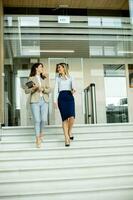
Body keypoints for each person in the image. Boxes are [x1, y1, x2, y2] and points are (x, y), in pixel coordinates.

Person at [25, 63, 51, 148]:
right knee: (37, 120)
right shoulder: (31, 78)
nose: (42, 68)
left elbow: (49, 89)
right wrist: (34, 88)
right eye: (40, 67)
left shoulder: (45, 78)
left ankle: (40, 134)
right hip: (35, 101)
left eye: (42, 67)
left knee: (43, 120)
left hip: (44, 100)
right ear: (36, 68)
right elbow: (26, 91)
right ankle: (37, 139)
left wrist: (42, 89)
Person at [54, 63, 76, 146]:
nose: (58, 69)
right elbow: (56, 90)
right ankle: (66, 138)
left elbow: (74, 87)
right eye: (58, 68)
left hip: (69, 97)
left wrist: (73, 90)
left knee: (72, 117)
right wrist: (55, 101)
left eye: (59, 67)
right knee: (64, 119)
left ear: (64, 68)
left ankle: (69, 131)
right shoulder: (57, 78)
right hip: (61, 98)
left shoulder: (71, 77)